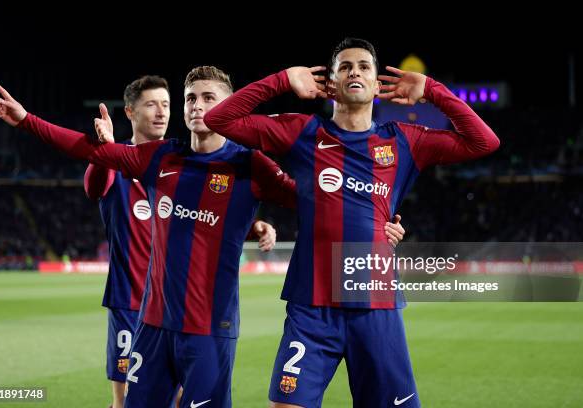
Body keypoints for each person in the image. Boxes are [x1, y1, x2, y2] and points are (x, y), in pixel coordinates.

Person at [0, 64, 406, 408]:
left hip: (210, 331)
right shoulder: (162, 157)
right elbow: (90, 151)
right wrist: (26, 120)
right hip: (152, 328)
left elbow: (322, 200)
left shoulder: (251, 166)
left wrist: (382, 222)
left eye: (209, 98)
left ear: (227, 106)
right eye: (191, 97)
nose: (197, 106)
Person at [204, 38, 500, 407]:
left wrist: (432, 90)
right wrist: (281, 80)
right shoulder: (303, 132)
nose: (354, 71)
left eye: (363, 66)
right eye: (344, 67)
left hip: (375, 307)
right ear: (330, 85)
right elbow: (219, 120)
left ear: (378, 86)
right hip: (312, 305)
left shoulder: (403, 142)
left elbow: (484, 142)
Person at [83, 74, 276, 408]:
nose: (161, 112)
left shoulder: (176, 161)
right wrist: (103, 150)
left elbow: (201, 220)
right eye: (151, 104)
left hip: (183, 305)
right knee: (126, 400)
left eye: (166, 104)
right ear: (130, 112)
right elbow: (94, 186)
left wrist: (253, 226)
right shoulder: (121, 162)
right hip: (132, 301)